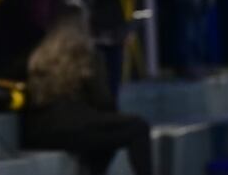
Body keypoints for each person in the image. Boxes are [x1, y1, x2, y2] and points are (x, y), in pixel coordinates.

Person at [23, 17, 152, 175]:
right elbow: (104, 102)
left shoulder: (39, 56)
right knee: (137, 127)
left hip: (38, 132)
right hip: (73, 127)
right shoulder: (87, 54)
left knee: (105, 132)